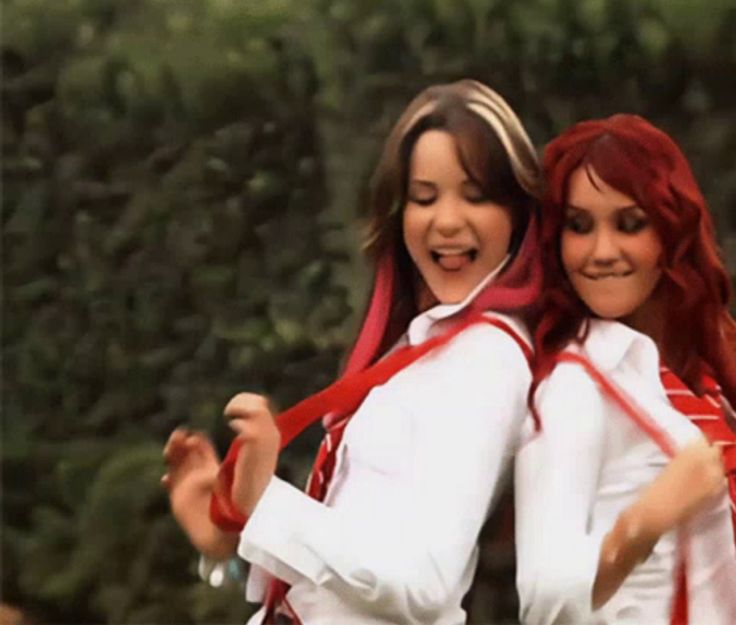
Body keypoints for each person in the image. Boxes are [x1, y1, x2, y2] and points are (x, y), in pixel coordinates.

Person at [162, 79, 544, 625]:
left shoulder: (488, 360)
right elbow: (353, 563)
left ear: (519, 213)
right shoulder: (428, 346)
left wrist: (262, 503)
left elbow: (421, 582)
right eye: (424, 196)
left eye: (476, 194)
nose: (448, 220)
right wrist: (233, 529)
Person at [515, 114, 736, 625]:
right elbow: (542, 598)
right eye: (578, 226)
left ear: (669, 230)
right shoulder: (575, 386)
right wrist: (646, 520)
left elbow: (719, 555)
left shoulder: (703, 384)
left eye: (629, 224)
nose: (601, 252)